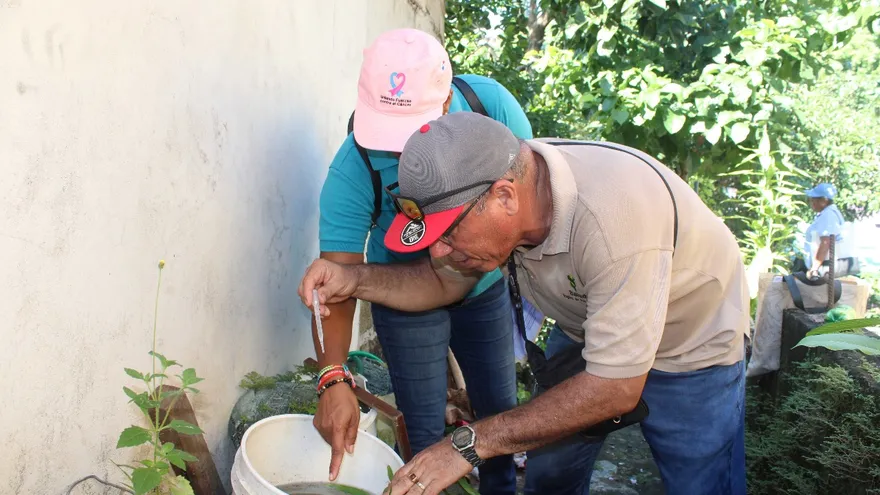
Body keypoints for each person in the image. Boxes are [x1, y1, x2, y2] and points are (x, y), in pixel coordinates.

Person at [300, 112, 750, 495]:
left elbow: (615, 387)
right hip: (591, 329)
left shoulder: (615, 220)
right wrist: (352, 279)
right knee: (550, 472)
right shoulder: (506, 191)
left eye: (449, 232)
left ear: (504, 197)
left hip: (692, 347)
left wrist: (465, 444)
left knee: (699, 480)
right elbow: (440, 283)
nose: (439, 252)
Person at [312, 28, 532, 494]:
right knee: (426, 435)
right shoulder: (355, 168)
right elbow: (338, 281)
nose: (402, 153)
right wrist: (333, 377)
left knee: (498, 418)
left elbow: (531, 205)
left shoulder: (491, 108)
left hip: (482, 286)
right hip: (405, 293)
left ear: (449, 101)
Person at [802, 183, 857, 278]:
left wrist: (814, 268)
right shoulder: (827, 214)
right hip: (825, 266)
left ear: (823, 201)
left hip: (826, 267)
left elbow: (826, 241)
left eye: (813, 200)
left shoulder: (828, 215)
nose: (811, 203)